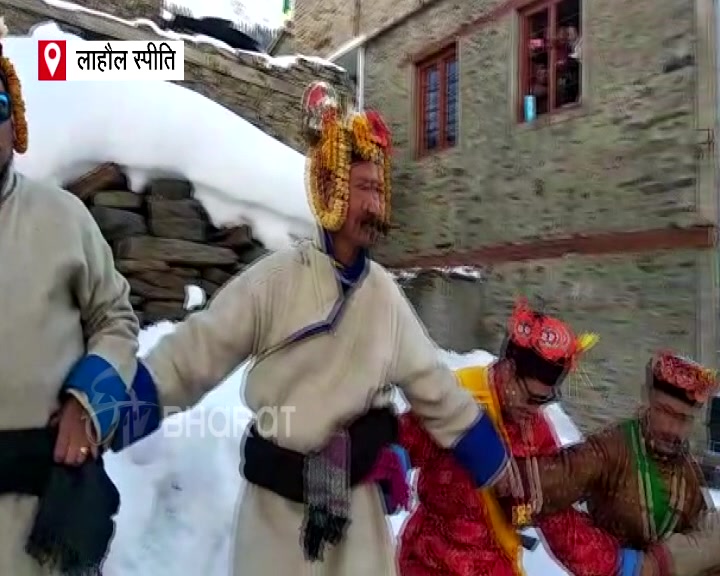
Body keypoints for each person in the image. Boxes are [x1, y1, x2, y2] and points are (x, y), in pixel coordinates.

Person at [113, 81, 509, 576]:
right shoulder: (277, 280)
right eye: (364, 188)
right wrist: (111, 415)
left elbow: (435, 388)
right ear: (330, 192)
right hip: (276, 510)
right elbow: (198, 350)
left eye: (380, 190)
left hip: (356, 510)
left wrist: (498, 467)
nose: (376, 204)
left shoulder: (384, 296)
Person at [0, 17, 139, 575]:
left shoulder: (63, 218)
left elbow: (116, 319)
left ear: (15, 120)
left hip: (46, 515)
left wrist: (89, 404)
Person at [397, 298, 600, 575]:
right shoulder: (456, 398)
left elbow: (557, 516)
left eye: (546, 401)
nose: (536, 410)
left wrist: (619, 566)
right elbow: (393, 448)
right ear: (507, 369)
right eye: (531, 398)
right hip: (431, 563)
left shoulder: (536, 432)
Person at [499, 351, 718, 576]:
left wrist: (667, 563)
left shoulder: (688, 469)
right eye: (664, 411)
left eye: (682, 419)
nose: (671, 428)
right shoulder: (611, 448)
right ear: (648, 399)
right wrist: (609, 559)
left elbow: (706, 533)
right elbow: (546, 485)